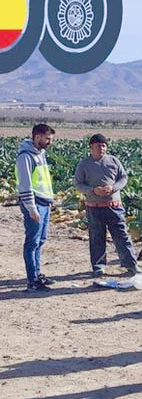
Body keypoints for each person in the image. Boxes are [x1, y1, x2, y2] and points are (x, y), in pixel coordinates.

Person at [73, 134, 140, 277]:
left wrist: (113, 187)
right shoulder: (84, 164)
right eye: (98, 146)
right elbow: (78, 184)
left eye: (103, 145)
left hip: (113, 206)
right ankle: (99, 266)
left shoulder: (114, 161)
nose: (101, 148)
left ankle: (131, 265)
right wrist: (92, 190)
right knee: (96, 237)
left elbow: (123, 178)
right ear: (90, 147)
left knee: (122, 236)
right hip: (94, 207)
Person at [16, 123, 56, 291]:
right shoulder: (26, 157)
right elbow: (25, 184)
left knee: (40, 241)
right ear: (37, 137)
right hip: (35, 203)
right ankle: (32, 280)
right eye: (47, 138)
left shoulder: (41, 154)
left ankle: (37, 274)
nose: (49, 142)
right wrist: (31, 208)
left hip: (44, 202)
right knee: (32, 242)